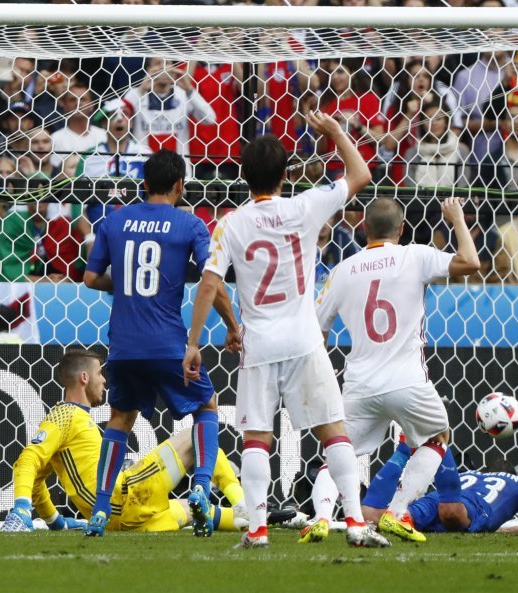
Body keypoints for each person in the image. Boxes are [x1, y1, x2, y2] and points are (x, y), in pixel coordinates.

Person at [182, 112, 389, 549]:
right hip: (304, 338)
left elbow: (209, 283)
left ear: (243, 175)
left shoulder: (230, 223)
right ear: (285, 174)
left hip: (259, 343)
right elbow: (362, 174)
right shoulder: (306, 205)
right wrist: (336, 133)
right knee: (334, 429)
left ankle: (257, 531)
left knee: (257, 436)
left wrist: (194, 342)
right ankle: (354, 524)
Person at [81, 149, 240, 538]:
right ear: (180, 186)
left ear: (144, 184)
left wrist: (123, 288)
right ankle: (202, 487)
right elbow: (212, 281)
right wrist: (233, 326)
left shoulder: (114, 221)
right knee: (206, 405)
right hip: (169, 344)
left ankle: (101, 510)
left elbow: (89, 278)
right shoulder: (191, 226)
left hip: (124, 345)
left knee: (120, 420)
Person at [309, 197, 480, 544]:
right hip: (408, 381)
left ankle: (321, 517)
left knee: (339, 450)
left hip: (360, 383)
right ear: (401, 229)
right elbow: (471, 261)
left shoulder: (343, 270)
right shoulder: (414, 255)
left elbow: (316, 332)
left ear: (363, 228)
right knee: (436, 438)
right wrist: (457, 219)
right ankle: (398, 512)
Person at [0, 350, 247, 534]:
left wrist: (55, 521)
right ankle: (243, 504)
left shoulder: (73, 421)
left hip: (121, 520)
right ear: (84, 378)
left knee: (189, 508)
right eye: (99, 374)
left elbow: (36, 478)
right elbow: (27, 460)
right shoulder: (64, 415)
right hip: (123, 496)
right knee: (198, 437)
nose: (104, 381)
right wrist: (21, 509)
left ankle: (258, 519)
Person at [360, 447, 518, 534]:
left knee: (381, 518)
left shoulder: (471, 473)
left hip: (438, 498)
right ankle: (437, 442)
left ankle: (385, 512)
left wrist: (499, 529)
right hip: (467, 510)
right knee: (450, 514)